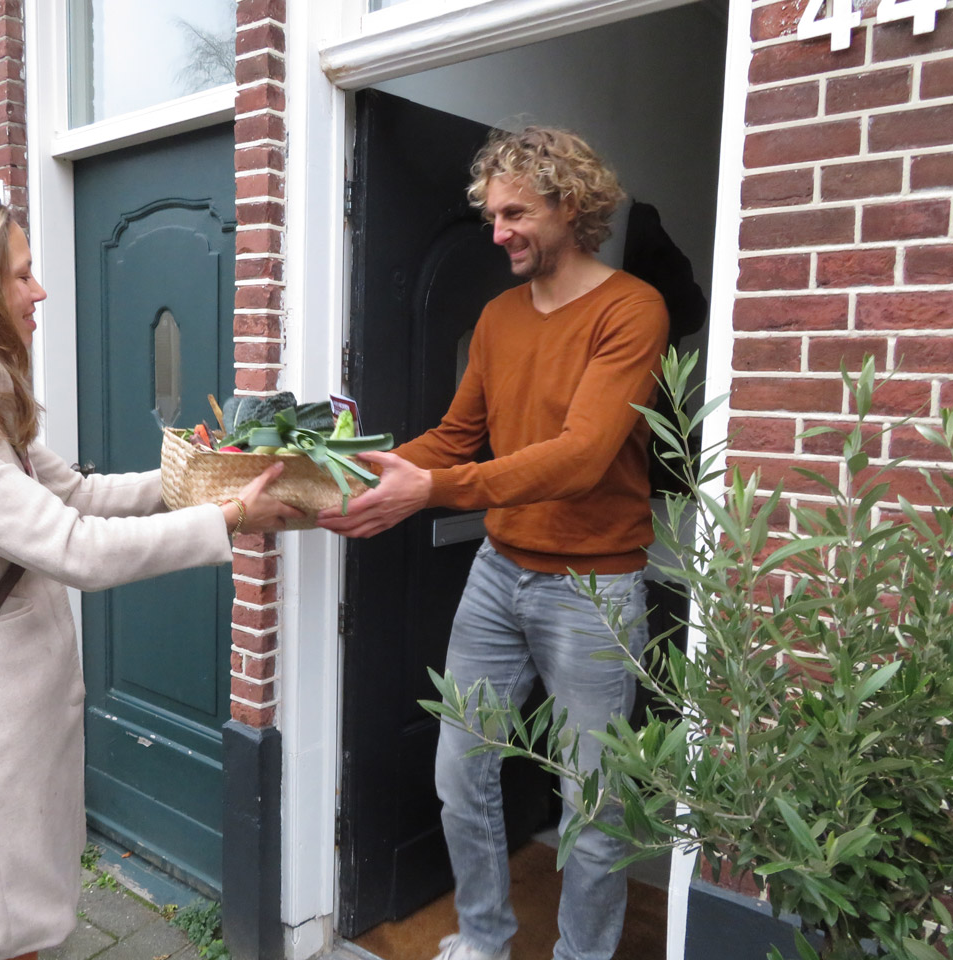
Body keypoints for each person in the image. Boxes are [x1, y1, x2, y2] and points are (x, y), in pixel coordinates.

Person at [0, 192, 302, 960]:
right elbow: (73, 546)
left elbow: (71, 493)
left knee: (18, 927)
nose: (39, 291)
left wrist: (203, 479)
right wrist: (229, 520)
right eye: (21, 274)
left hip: (13, 719)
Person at [318, 127, 669, 960]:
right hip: (499, 573)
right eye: (491, 214)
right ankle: (483, 940)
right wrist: (360, 472)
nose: (499, 230)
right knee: (459, 775)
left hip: (594, 593)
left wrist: (432, 490)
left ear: (569, 204)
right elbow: (457, 436)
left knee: (595, 799)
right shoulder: (497, 317)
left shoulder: (631, 309)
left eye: (516, 212)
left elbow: (583, 457)